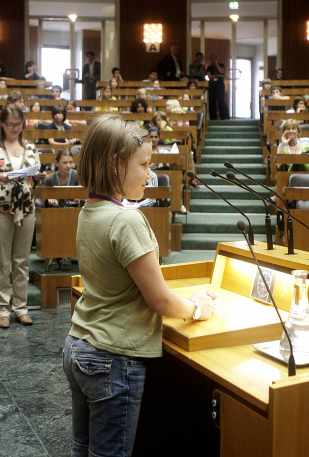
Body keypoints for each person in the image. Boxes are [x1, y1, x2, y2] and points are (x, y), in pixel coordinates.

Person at [62, 113, 216, 456]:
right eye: (144, 164)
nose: (150, 174)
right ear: (117, 164)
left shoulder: (91, 208)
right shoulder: (127, 218)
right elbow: (160, 300)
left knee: (82, 450)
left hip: (79, 345)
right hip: (112, 357)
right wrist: (196, 308)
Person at [0, 104, 46, 328]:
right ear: (2, 124)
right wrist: (0, 177)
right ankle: (3, 310)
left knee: (22, 262)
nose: (14, 128)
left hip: (26, 208)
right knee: (3, 261)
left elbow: (33, 176)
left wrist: (40, 177)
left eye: (18, 124)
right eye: (10, 124)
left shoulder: (31, 147)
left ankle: (21, 308)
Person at [42, 148, 81, 271]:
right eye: (64, 162)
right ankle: (53, 256)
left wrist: (79, 198)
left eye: (70, 162)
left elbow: (85, 195)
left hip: (72, 212)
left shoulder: (76, 176)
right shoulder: (50, 179)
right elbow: (43, 197)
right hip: (55, 213)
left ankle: (66, 256)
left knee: (69, 220)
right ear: (56, 163)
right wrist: (49, 199)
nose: (68, 165)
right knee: (52, 220)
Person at [207, 52, 228, 120]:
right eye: (212, 58)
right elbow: (209, 76)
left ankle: (224, 117)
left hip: (220, 85)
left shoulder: (221, 64)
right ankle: (213, 118)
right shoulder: (209, 67)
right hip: (212, 85)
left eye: (215, 57)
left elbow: (222, 71)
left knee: (221, 101)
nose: (213, 59)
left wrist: (217, 64)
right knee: (212, 102)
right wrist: (217, 75)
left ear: (217, 58)